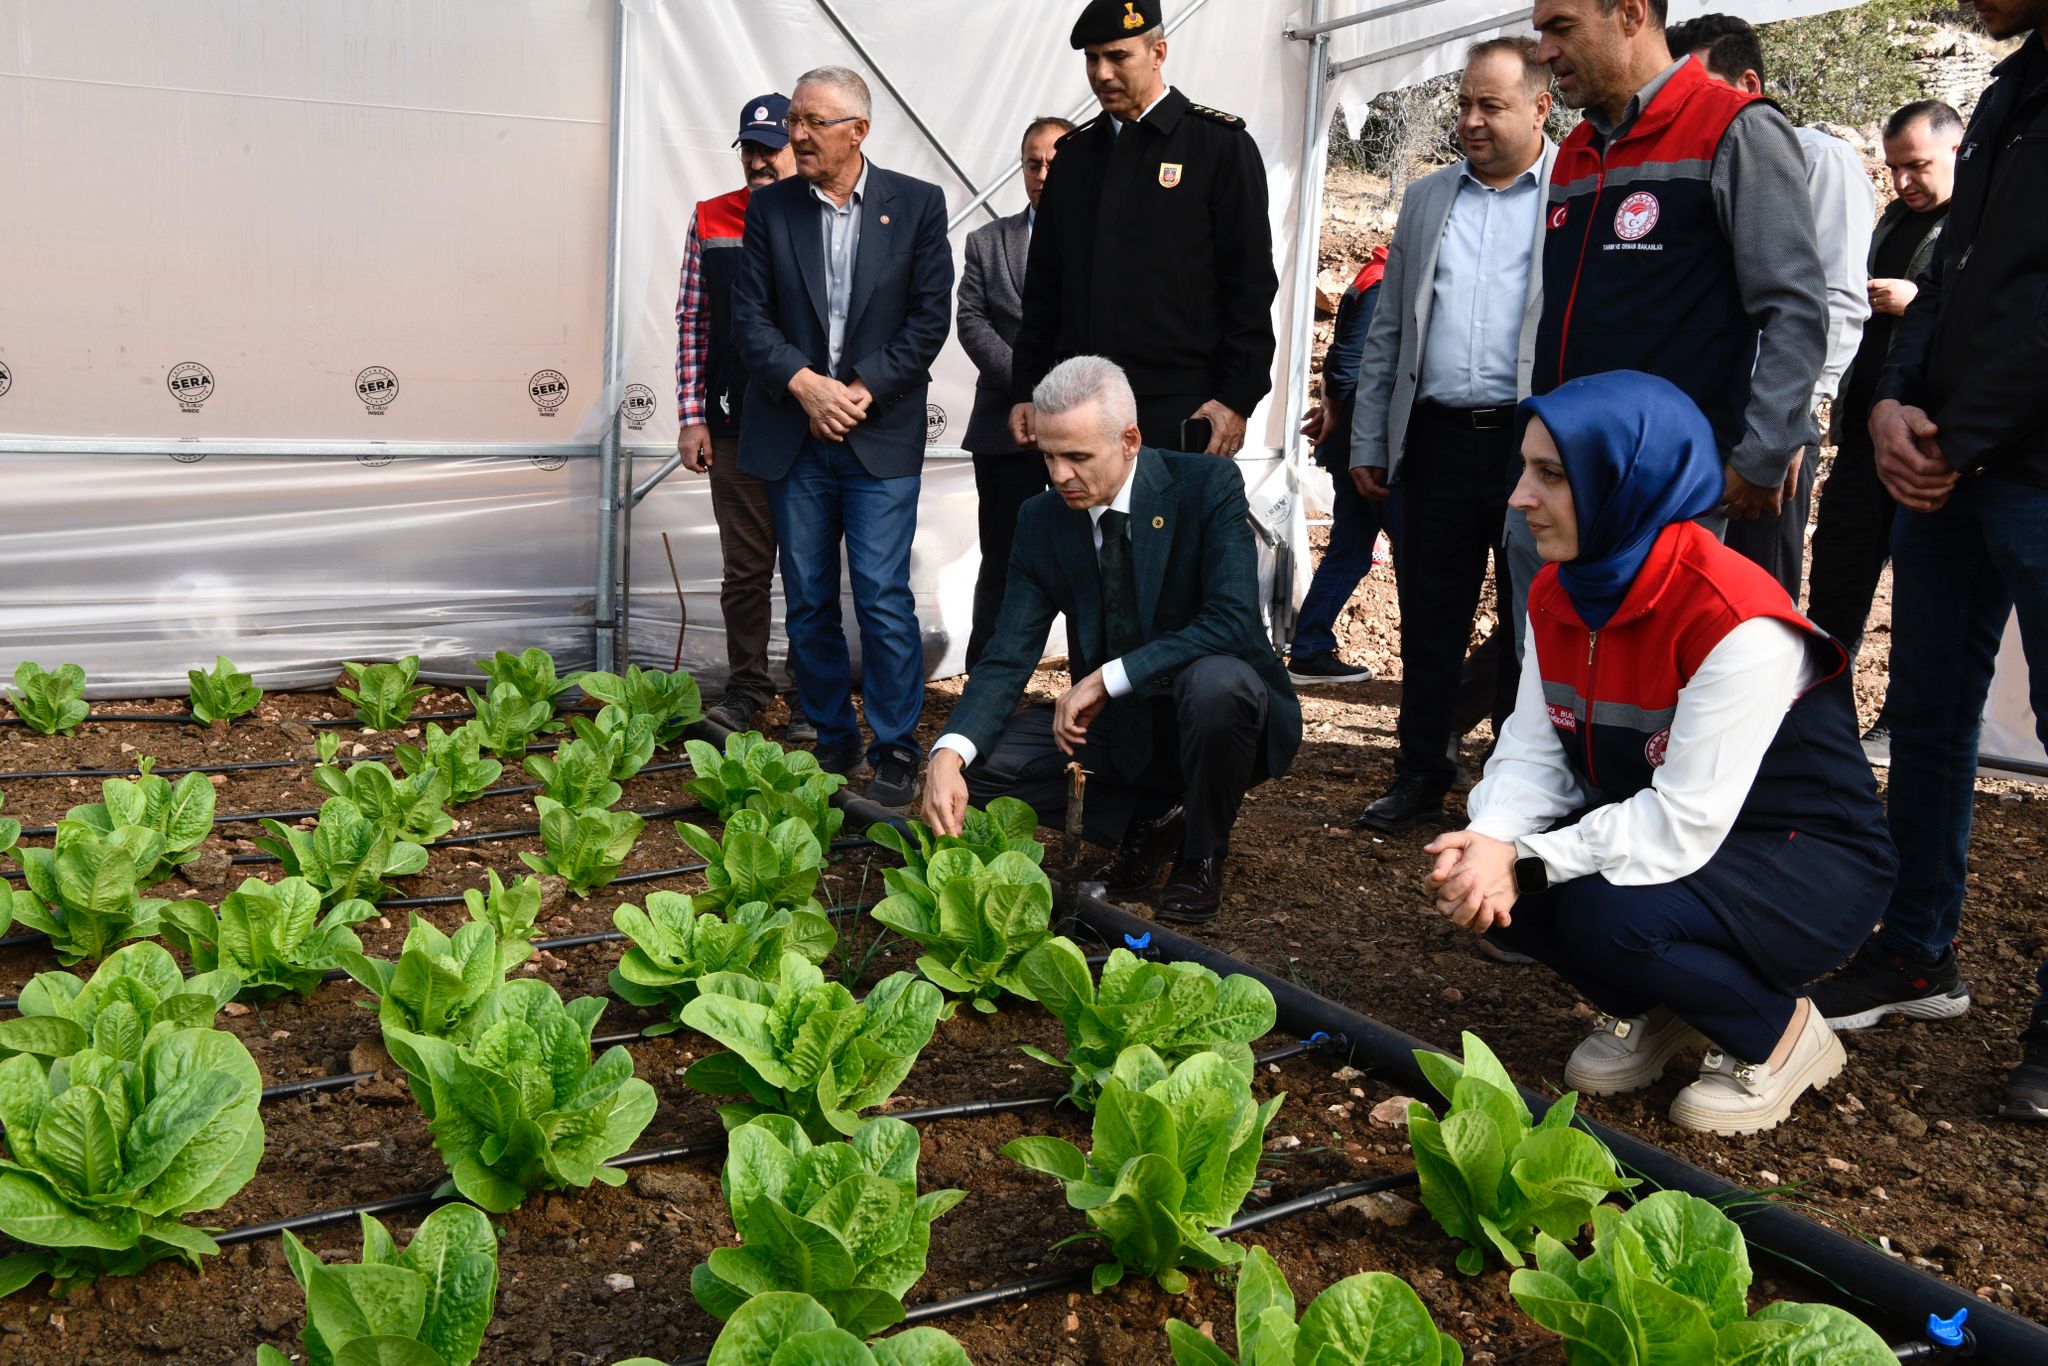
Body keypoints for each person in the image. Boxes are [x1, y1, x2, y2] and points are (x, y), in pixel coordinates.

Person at [1428, 370, 1895, 1136]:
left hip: (1804, 859)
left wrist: (1525, 858)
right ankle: (1659, 1009)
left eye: (1550, 475)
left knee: (1600, 912)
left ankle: (1779, 1036)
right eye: (1525, 470)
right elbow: (1533, 750)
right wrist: (1490, 842)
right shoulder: (1562, 590)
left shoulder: (1733, 616)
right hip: (1678, 830)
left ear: (1626, 481)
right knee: (1494, 892)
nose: (1519, 496)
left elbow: (1683, 821)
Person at [1807, 0, 2048, 1124]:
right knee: (1927, 716)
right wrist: (1897, 398)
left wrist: (1958, 432)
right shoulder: (2007, 94)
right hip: (1952, 467)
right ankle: (1914, 952)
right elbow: (1950, 278)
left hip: (2017, 465)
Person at [925, 355, 1302, 923]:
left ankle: (1200, 855)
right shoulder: (1042, 518)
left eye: (1077, 456)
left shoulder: (1207, 485)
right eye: (1049, 455)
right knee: (977, 762)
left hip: (1214, 714)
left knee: (1216, 683)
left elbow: (1231, 620)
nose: (1059, 475)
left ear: (1130, 440)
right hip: (1121, 727)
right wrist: (947, 753)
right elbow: (1006, 655)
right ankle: (1151, 825)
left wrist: (1108, 676)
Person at [1532, 0, 1828, 602]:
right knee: (1569, 673)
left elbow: (1794, 306)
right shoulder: (1577, 149)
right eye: (1541, 33)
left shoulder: (1736, 128)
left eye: (1561, 28)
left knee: (1663, 680)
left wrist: (1762, 454)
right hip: (1570, 478)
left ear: (1632, 14)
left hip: (1674, 493)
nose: (1544, 52)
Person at [730, 66, 954, 810]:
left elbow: (928, 321)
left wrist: (857, 390)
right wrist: (804, 385)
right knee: (810, 599)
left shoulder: (917, 206)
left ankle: (894, 746)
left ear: (858, 131)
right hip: (796, 435)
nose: (794, 135)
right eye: (793, 119)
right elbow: (749, 321)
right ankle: (831, 738)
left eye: (811, 122)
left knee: (885, 598)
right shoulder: (772, 211)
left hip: (876, 434)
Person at [1349, 38, 1557, 833]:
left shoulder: (1574, 191)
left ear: (1541, 107)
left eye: (1490, 106)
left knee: (1530, 619)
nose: (1469, 120)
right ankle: (1420, 772)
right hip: (1434, 439)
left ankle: (1514, 785)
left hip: (1529, 443)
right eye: (1464, 103)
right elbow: (1391, 330)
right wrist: (1372, 436)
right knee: (1430, 614)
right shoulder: (1430, 197)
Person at [1007, 0, 1278, 456]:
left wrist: (1237, 397)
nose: (1102, 73)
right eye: (1092, 58)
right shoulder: (1072, 158)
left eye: (1118, 56)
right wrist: (1027, 388)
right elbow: (1044, 292)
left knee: (1174, 527)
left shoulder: (1218, 147)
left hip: (1182, 405)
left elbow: (1249, 286)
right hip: (1081, 402)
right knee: (1087, 529)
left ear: (1158, 53)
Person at [1803, 100, 1961, 765]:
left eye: (1917, 166)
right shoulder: (1893, 218)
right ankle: (1816, 719)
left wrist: (1917, 301)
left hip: (1932, 440)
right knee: (1836, 579)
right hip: (1864, 434)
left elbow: (2000, 317)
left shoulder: (1977, 227)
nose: (1902, 182)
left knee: (1924, 597)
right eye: (1894, 168)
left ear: (1957, 152)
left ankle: (1900, 723)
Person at [677, 92, 815, 744]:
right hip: (732, 422)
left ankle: (814, 698)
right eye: (751, 148)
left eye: (771, 146)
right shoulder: (710, 218)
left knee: (812, 565)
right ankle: (749, 692)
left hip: (811, 425)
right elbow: (693, 322)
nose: (760, 160)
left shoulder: (825, 215)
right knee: (746, 569)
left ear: (798, 145)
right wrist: (690, 415)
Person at [1666, 15, 1877, 427]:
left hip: (1767, 416)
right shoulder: (1686, 167)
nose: (1681, 107)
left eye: (1697, 91)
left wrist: (1787, 418)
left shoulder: (1818, 158)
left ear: (1748, 85)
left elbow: (1837, 296)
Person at [959, 116, 1073, 670]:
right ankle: (985, 696)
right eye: (1033, 162)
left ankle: (1096, 695)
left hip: (1085, 434)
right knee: (1001, 564)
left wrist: (1069, 398)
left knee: (1091, 568)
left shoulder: (1108, 243)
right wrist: (1033, 387)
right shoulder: (987, 242)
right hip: (1005, 433)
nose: (1043, 172)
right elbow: (972, 321)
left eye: (1055, 161)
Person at [1285, 246, 1389, 685]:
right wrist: (1338, 419)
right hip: (1366, 447)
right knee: (1357, 549)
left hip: (1354, 441)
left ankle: (1309, 647)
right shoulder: (1385, 281)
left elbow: (1340, 364)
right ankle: (1309, 648)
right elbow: (1345, 364)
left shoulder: (1373, 275)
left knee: (1350, 549)